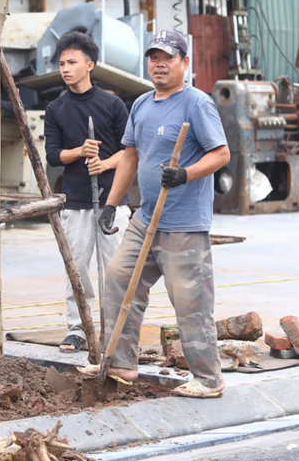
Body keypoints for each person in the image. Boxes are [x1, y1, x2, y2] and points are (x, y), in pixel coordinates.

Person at [98, 29, 231, 398]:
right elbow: (130, 156)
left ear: (184, 63)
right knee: (118, 280)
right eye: (154, 57)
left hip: (183, 225)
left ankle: (209, 380)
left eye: (168, 57)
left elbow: (221, 154)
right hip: (144, 221)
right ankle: (122, 363)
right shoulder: (141, 104)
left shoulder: (197, 104)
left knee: (191, 303)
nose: (159, 63)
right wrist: (112, 203)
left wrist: (186, 173)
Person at [44, 32, 131, 354]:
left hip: (113, 200)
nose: (65, 69)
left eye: (72, 62)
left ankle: (117, 329)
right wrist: (79, 151)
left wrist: (105, 163)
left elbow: (131, 151)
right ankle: (78, 329)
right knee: (77, 267)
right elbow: (52, 154)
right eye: (62, 63)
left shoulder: (112, 104)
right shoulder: (56, 108)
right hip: (77, 200)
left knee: (115, 268)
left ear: (90, 65)